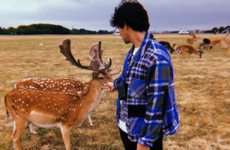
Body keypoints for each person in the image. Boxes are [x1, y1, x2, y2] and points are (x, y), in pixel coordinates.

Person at [104, 1, 180, 150]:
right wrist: (116, 83)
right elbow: (129, 77)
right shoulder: (133, 51)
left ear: (125, 25)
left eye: (119, 27)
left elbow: (157, 105)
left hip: (143, 135)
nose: (119, 32)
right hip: (127, 126)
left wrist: (145, 142)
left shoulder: (156, 57)